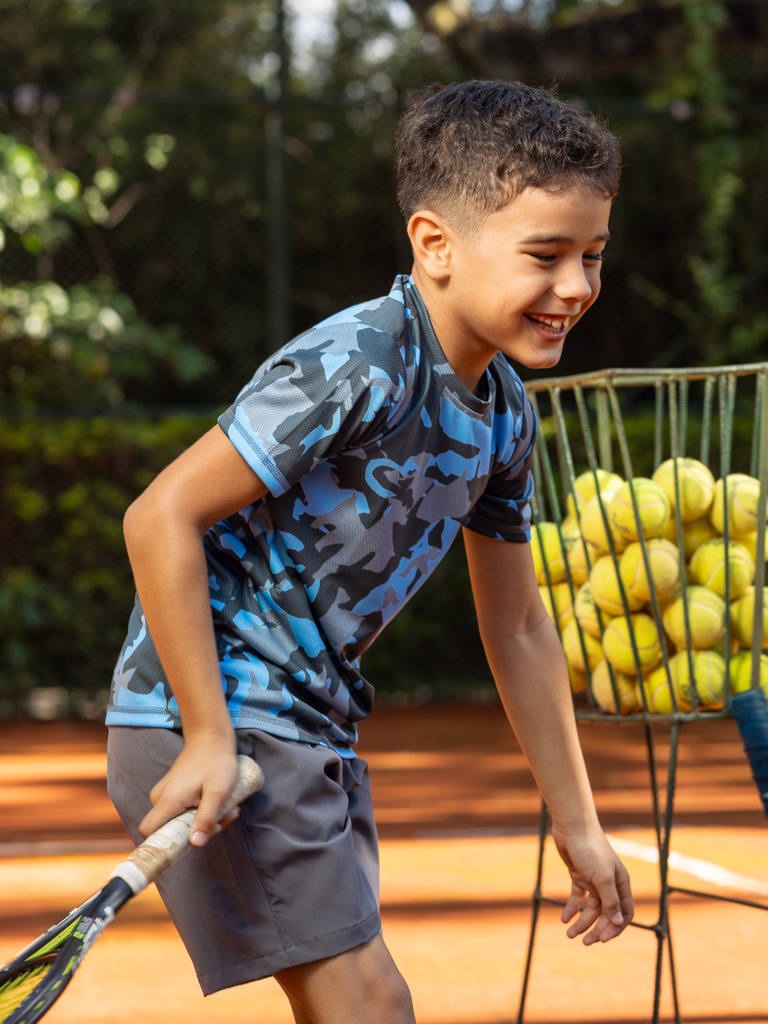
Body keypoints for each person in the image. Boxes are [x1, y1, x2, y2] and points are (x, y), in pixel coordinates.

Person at [106, 79, 634, 1023]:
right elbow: (160, 516)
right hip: (222, 721)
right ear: (435, 245)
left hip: (311, 732)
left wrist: (579, 823)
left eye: (592, 255)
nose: (577, 287)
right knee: (369, 1008)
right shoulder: (362, 359)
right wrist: (210, 735)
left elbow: (515, 625)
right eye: (546, 255)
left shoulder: (505, 414)